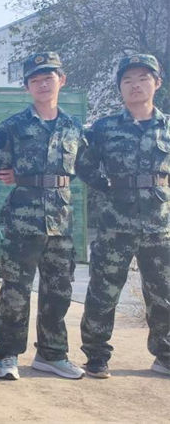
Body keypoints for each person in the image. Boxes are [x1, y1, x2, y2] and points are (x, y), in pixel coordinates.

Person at [0, 52, 86, 380]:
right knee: (15, 289)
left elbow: (82, 165)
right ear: (27, 87)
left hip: (61, 218)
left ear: (62, 80)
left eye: (49, 77)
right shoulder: (13, 126)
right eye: (35, 80)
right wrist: (22, 175)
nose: (43, 84)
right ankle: (8, 355)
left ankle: (52, 354)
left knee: (59, 289)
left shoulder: (73, 127)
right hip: (23, 218)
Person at [76, 53, 170, 379]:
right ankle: (96, 355)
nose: (135, 85)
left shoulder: (167, 127)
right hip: (114, 223)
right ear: (120, 87)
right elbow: (84, 165)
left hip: (159, 225)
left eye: (143, 78)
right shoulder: (104, 128)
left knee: (163, 292)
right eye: (128, 80)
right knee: (103, 291)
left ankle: (165, 354)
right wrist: (109, 187)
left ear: (157, 83)